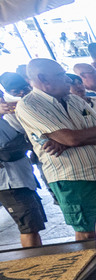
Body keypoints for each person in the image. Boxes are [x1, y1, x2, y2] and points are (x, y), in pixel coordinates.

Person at [15, 58, 96, 241]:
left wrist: (71, 141)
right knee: (88, 232)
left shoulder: (75, 101)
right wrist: (73, 139)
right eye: (62, 75)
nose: (69, 80)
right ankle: (94, 269)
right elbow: (71, 138)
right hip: (74, 178)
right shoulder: (30, 105)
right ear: (43, 79)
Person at [0, 106, 44, 248]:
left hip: (22, 179)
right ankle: (34, 264)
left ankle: (40, 260)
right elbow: (8, 153)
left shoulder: (5, 121)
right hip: (10, 184)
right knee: (29, 228)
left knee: (34, 225)